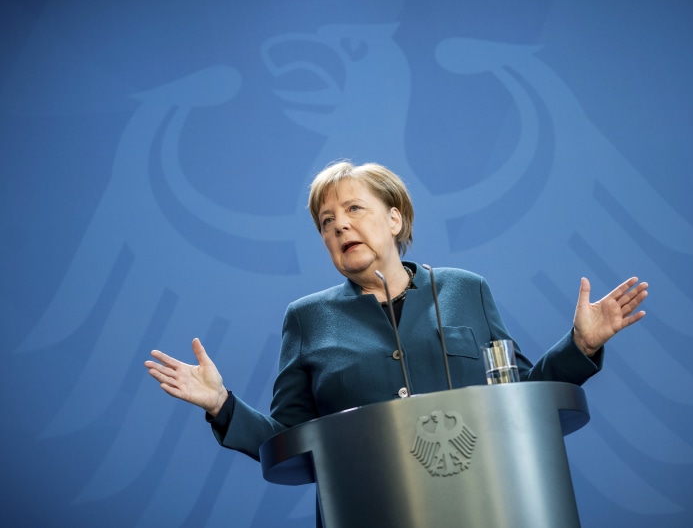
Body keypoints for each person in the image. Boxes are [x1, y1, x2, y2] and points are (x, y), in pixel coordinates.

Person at [145, 160, 648, 471]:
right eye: (326, 222)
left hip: (487, 500)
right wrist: (222, 404)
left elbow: (520, 399)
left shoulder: (466, 290)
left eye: (353, 210)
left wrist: (581, 345)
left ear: (395, 218)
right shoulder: (307, 319)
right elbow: (287, 440)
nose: (339, 225)